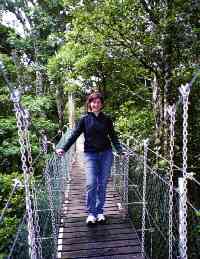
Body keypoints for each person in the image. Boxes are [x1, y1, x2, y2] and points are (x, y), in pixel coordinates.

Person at [56, 91, 123, 225]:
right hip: (90, 154)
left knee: (102, 184)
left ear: (101, 104)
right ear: (90, 103)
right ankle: (91, 213)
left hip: (106, 154)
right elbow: (74, 135)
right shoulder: (84, 119)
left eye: (98, 102)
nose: (96, 104)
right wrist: (64, 148)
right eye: (93, 102)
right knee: (91, 183)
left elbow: (113, 136)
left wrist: (120, 150)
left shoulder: (107, 119)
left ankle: (99, 212)